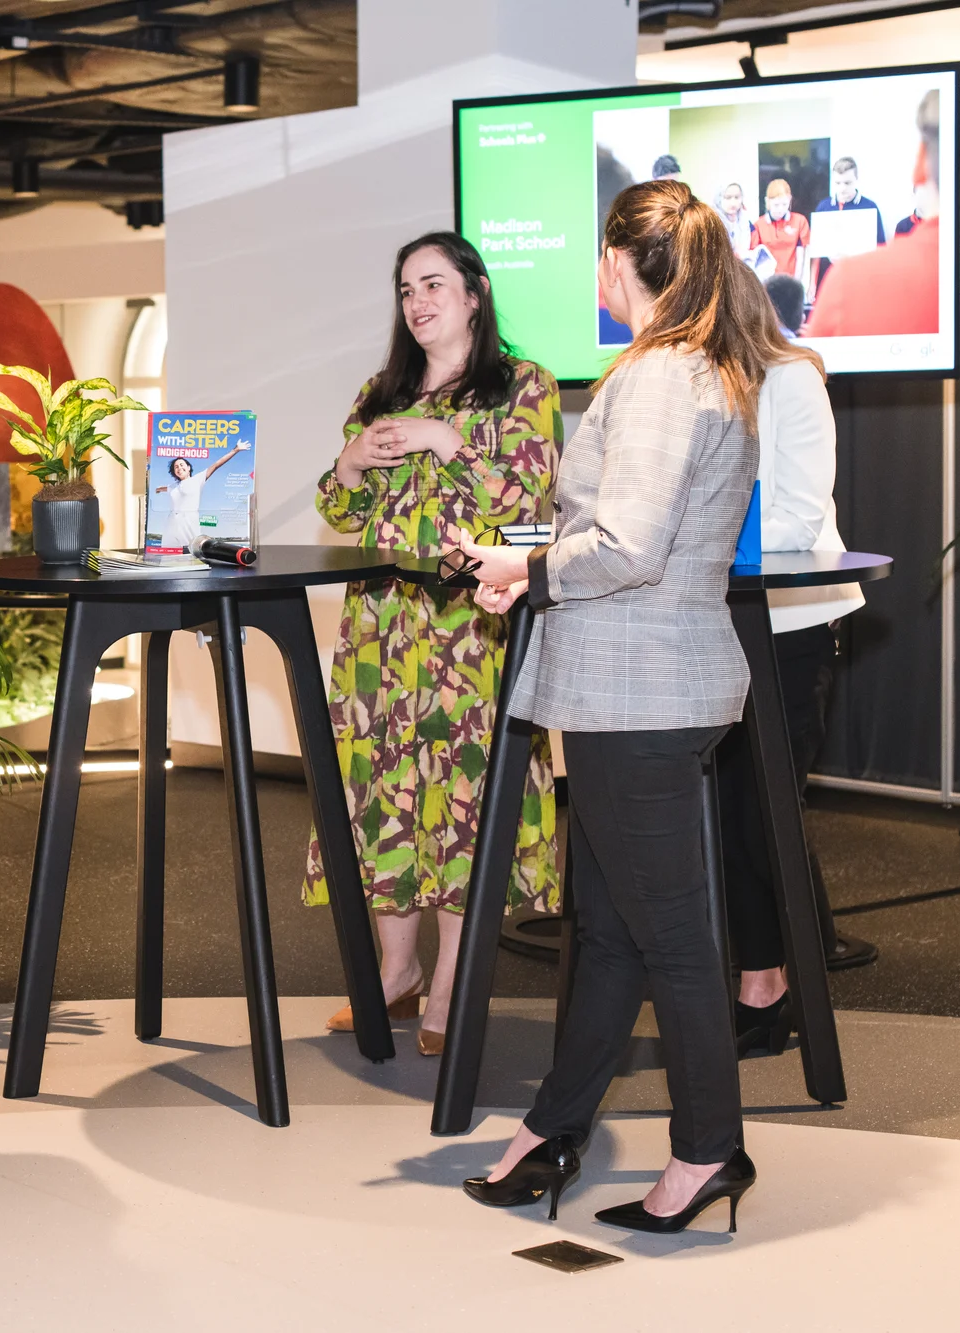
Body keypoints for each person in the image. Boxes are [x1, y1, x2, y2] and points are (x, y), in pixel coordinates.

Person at [453, 180, 767, 1234]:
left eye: (596, 255)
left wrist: (523, 566)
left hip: (638, 694)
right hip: (637, 691)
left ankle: (707, 1152)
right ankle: (552, 1129)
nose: (591, 273)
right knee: (610, 934)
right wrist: (527, 569)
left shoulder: (658, 375)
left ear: (623, 264)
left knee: (669, 941)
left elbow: (627, 547)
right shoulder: (699, 367)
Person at [307, 231, 560, 1055]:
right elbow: (341, 515)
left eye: (434, 285)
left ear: (475, 294)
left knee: (459, 803)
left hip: (469, 628)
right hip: (379, 633)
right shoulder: (383, 391)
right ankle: (396, 972)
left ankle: (451, 980)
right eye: (406, 289)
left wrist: (446, 440)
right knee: (384, 800)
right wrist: (348, 465)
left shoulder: (522, 385)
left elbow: (528, 491)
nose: (417, 303)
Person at [718, 262, 863, 1057]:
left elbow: (801, 517)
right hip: (714, 625)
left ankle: (776, 982)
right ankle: (767, 976)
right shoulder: (691, 385)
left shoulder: (793, 377)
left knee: (760, 809)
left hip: (792, 626)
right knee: (731, 812)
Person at [805, 91, 942, 338]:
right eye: (837, 183)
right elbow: (815, 251)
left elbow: (880, 247)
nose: (842, 188)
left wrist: (854, 257)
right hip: (828, 279)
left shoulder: (870, 207)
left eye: (847, 183)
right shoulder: (824, 206)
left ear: (856, 179)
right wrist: (812, 284)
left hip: (860, 283)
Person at [156, 444, 247, 550]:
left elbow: (216, 465)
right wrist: (156, 490)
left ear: (188, 468)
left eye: (181, 465)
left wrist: (235, 450)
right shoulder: (173, 486)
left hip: (188, 522)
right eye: (176, 467)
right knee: (167, 552)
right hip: (171, 523)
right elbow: (162, 488)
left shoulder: (197, 480)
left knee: (192, 552)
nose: (179, 468)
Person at [753, 178, 812, 279]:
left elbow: (802, 257)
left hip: (791, 279)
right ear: (767, 201)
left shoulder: (800, 221)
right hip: (767, 280)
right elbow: (756, 258)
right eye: (776, 205)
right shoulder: (758, 225)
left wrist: (797, 283)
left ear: (790, 200)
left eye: (784, 204)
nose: (781, 209)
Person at [716, 182, 755, 256]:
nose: (733, 203)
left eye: (737, 197)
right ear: (719, 198)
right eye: (728, 197)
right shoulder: (713, 222)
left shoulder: (745, 221)